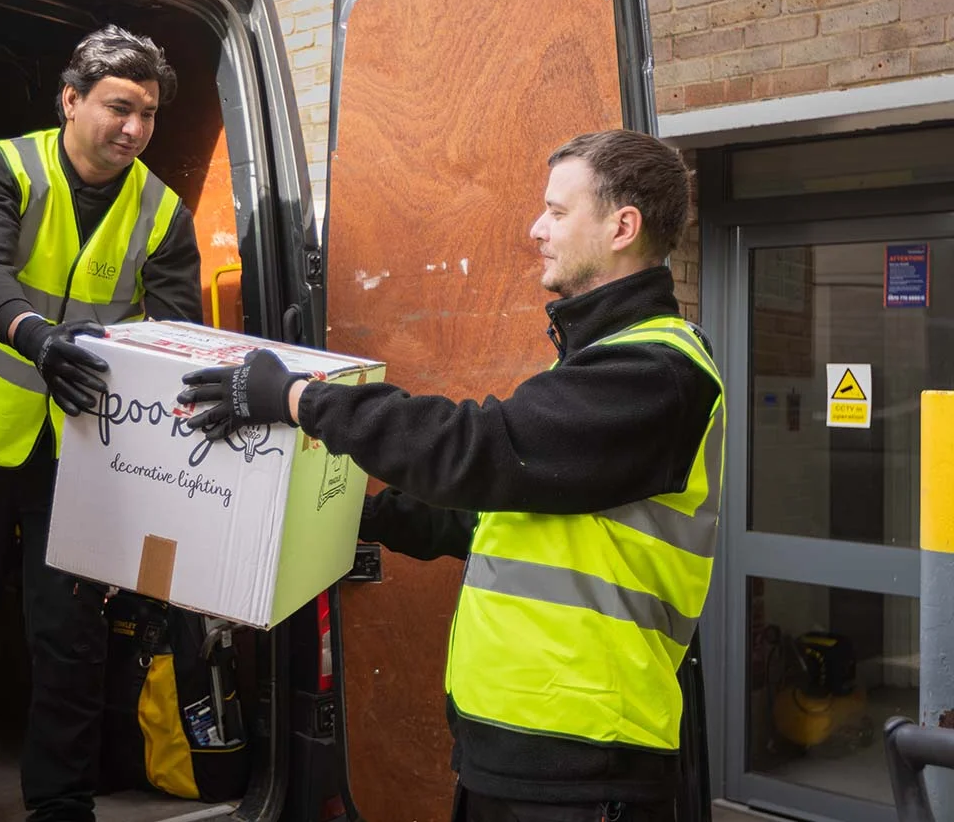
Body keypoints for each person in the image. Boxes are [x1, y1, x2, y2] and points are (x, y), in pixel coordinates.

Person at [178, 129, 726, 822]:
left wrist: (296, 399)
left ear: (623, 226)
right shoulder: (598, 368)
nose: (537, 229)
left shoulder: (655, 374)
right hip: (516, 748)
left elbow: (474, 449)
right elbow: (480, 517)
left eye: (558, 212)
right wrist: (349, 516)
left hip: (587, 760)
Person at [0, 24, 203, 822]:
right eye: (118, 108)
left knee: (67, 636)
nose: (134, 129)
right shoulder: (0, 170)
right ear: (71, 100)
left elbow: (177, 332)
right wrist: (40, 340)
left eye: (148, 115)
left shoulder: (163, 212)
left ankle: (61, 803)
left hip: (81, 453)